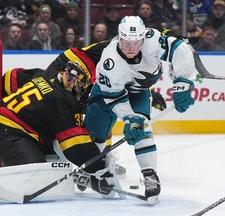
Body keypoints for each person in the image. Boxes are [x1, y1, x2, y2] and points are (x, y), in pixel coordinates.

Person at [0, 62, 122, 205]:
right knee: (38, 173)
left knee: (52, 156)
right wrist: (100, 168)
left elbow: (10, 77)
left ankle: (81, 177)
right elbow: (75, 147)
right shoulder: (65, 101)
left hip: (3, 127)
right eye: (78, 83)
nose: (77, 86)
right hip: (3, 133)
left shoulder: (43, 75)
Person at [83, 16, 197, 201]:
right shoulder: (109, 62)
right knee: (96, 129)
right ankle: (93, 170)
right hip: (108, 92)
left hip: (139, 91)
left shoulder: (152, 40)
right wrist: (129, 117)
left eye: (135, 42)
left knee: (143, 130)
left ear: (143, 38)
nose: (130, 47)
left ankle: (150, 175)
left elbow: (180, 49)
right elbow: (114, 97)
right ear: (119, 38)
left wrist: (183, 82)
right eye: (126, 42)